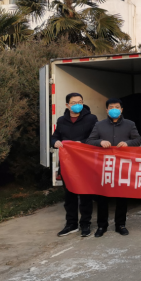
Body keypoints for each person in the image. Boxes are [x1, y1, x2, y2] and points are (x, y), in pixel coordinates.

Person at [86, 98, 141, 238]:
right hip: (104, 166)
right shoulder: (99, 125)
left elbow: (138, 140)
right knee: (102, 197)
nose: (114, 109)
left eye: (117, 107)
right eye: (111, 107)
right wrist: (100, 142)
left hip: (123, 166)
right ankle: (102, 226)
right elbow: (90, 141)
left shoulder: (130, 124)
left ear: (121, 109)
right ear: (107, 110)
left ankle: (120, 225)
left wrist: (128, 143)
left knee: (122, 197)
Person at [51, 92, 98, 238]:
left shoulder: (91, 119)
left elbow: (96, 138)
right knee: (69, 195)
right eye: (74, 102)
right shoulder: (61, 121)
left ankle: (85, 224)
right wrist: (55, 142)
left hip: (84, 162)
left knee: (85, 195)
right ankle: (71, 224)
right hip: (67, 164)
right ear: (67, 105)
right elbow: (54, 137)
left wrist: (81, 143)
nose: (77, 105)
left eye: (80, 102)